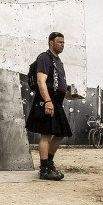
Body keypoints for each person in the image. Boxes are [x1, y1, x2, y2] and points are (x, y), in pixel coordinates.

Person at [26, 31, 75, 180]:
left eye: (63, 42)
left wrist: (69, 94)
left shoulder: (58, 61)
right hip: (47, 100)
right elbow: (41, 81)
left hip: (57, 101)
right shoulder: (44, 58)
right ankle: (44, 168)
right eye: (59, 42)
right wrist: (47, 101)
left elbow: (57, 84)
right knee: (46, 134)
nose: (62, 45)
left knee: (60, 133)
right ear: (51, 43)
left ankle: (49, 163)